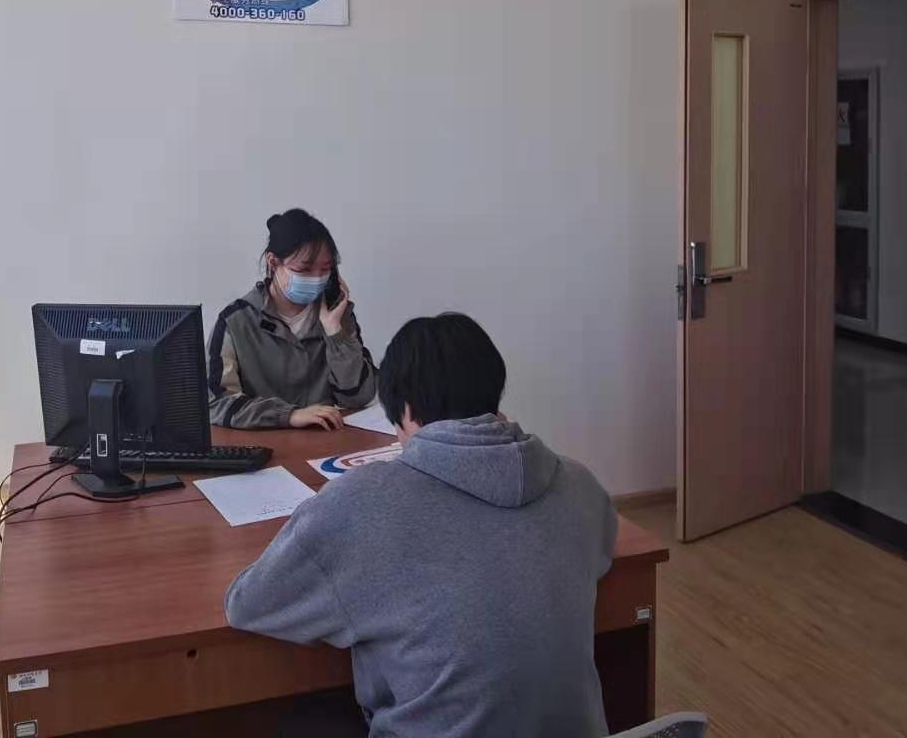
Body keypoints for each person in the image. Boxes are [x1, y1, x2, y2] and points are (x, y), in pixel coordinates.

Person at [225, 313, 618, 738]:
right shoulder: (579, 483)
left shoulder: (358, 503)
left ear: (406, 410)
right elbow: (596, 557)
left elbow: (248, 604)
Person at [208, 208, 377, 430]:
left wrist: (336, 334)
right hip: (263, 443)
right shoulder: (236, 321)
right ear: (273, 262)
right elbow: (217, 403)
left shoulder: (337, 314)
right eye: (304, 269)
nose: (316, 278)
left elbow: (359, 397)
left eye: (325, 269)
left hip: (327, 441)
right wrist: (289, 415)